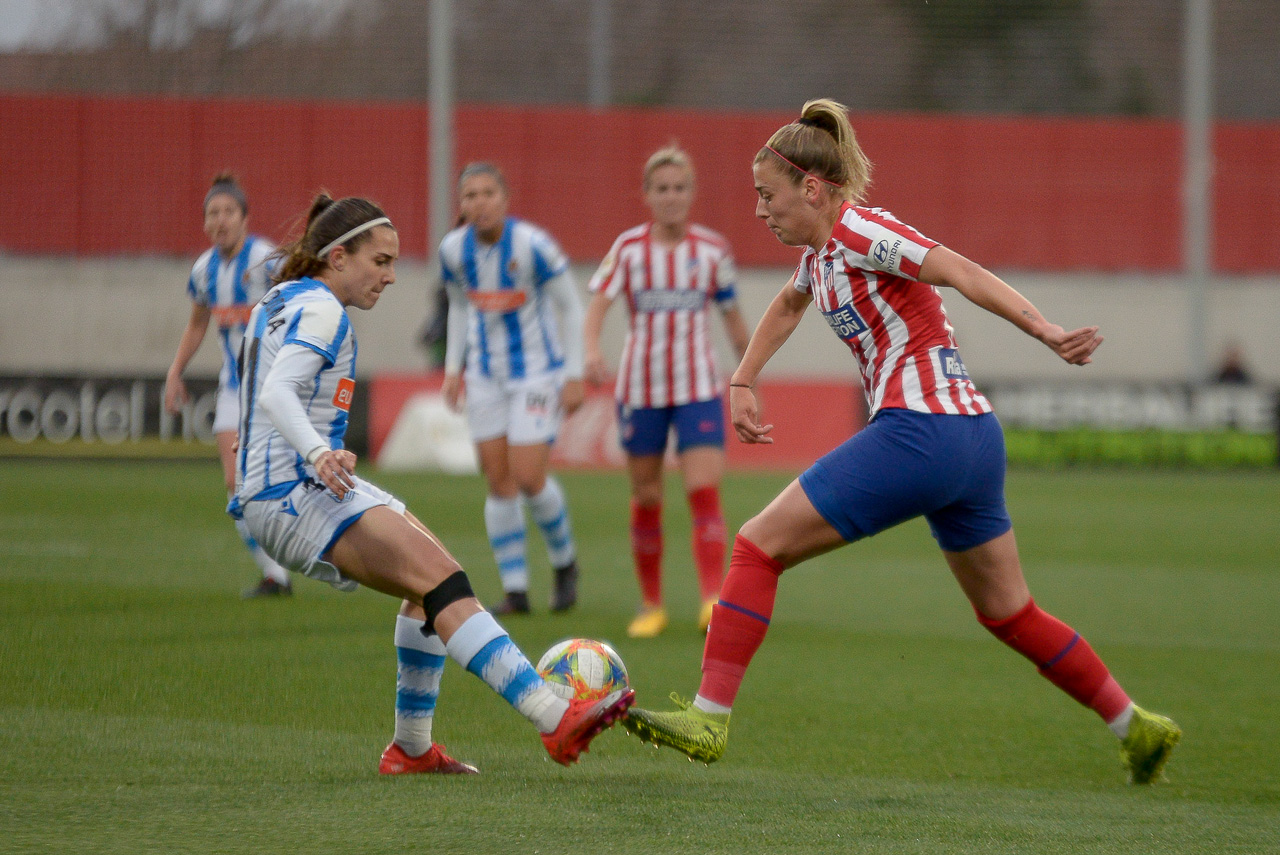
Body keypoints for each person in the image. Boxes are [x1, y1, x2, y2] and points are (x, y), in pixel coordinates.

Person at [623, 99, 1182, 785]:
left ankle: (709, 717)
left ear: (814, 189)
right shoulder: (821, 254)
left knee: (755, 546)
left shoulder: (860, 229)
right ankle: (1136, 724)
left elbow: (956, 268)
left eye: (768, 196)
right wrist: (743, 377)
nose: (761, 211)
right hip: (973, 439)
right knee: (1009, 611)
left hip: (922, 430)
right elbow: (790, 303)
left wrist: (1043, 330)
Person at [228, 194, 633, 774]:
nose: (391, 277)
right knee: (443, 581)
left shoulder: (280, 299)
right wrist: (316, 451)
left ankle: (411, 750)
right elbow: (274, 395)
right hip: (295, 492)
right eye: (381, 261)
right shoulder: (322, 311)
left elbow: (259, 396)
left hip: (284, 490)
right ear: (338, 256)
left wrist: (294, 452)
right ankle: (552, 715)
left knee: (427, 590)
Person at [583, 146, 751, 638]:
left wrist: (748, 372)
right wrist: (591, 350)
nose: (672, 197)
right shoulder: (629, 249)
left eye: (680, 188)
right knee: (647, 495)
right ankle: (651, 605)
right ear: (647, 195)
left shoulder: (713, 251)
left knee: (703, 489)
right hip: (641, 389)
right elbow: (598, 306)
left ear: (692, 193)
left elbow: (734, 318)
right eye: (662, 189)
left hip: (697, 385)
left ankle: (711, 599)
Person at [440, 162, 586, 616]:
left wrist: (575, 373)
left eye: (487, 193)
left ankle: (564, 562)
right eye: (470, 195)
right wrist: (453, 368)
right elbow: (460, 308)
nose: (479, 203)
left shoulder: (532, 246)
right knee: (498, 480)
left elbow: (571, 307)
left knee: (527, 476)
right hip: (485, 376)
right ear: (461, 204)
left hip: (537, 375)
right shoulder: (452, 251)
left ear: (504, 199)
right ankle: (516, 590)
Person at [166, 172, 293, 598]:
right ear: (204, 223)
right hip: (235, 387)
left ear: (245, 218)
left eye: (228, 212)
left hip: (275, 385)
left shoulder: (266, 260)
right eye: (212, 213)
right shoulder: (203, 270)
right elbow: (197, 323)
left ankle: (314, 550)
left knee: (286, 476)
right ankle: (275, 575)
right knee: (234, 485)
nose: (220, 220)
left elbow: (297, 308)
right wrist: (175, 370)